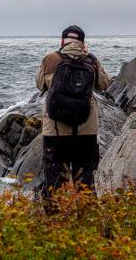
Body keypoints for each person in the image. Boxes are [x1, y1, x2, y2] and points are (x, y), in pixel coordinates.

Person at [35, 25, 111, 210]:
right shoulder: (91, 60)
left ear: (62, 41)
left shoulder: (50, 58)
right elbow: (104, 84)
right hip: (86, 129)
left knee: (54, 178)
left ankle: (54, 221)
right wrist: (89, 57)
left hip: (55, 130)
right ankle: (87, 219)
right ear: (83, 43)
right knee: (85, 177)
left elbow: (40, 85)